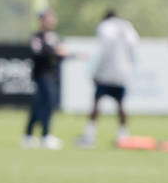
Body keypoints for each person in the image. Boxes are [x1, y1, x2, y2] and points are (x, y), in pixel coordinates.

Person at [77, 10, 140, 148]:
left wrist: (95, 72)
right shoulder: (127, 27)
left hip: (106, 72)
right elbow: (134, 48)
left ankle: (89, 136)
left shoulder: (105, 27)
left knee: (97, 103)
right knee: (121, 105)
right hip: (122, 73)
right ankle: (123, 135)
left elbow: (103, 51)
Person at [22, 9, 68, 149]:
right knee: (45, 103)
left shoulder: (55, 36)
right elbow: (37, 54)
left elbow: (60, 56)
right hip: (42, 75)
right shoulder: (37, 37)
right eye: (48, 18)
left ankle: (30, 135)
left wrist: (63, 54)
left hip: (53, 75)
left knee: (40, 105)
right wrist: (53, 51)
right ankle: (44, 135)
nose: (51, 21)